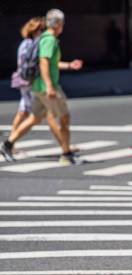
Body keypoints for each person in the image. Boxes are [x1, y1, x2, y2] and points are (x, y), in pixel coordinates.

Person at [1, 9, 83, 164]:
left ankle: (7, 145)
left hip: (38, 88)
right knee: (64, 118)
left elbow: (52, 63)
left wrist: (70, 65)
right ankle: (66, 155)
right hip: (46, 88)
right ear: (58, 24)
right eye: (63, 22)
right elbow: (44, 62)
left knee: (35, 118)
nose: (63, 25)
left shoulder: (45, 39)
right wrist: (50, 86)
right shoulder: (49, 40)